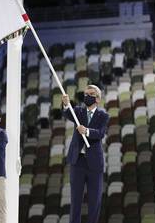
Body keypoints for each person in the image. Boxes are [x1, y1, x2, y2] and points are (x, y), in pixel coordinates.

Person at [62, 85, 109, 223]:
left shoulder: (103, 116)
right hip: (78, 162)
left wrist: (86, 131)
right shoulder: (79, 112)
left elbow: (100, 133)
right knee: (75, 200)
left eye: (91, 94)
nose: (88, 96)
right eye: (86, 93)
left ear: (98, 99)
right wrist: (66, 104)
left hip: (95, 164)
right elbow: (67, 112)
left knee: (94, 202)